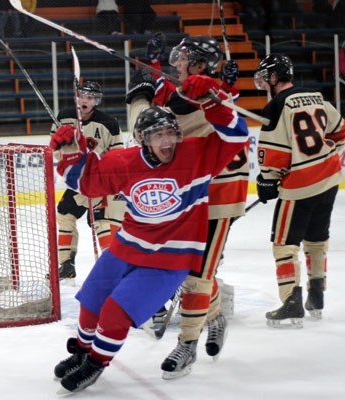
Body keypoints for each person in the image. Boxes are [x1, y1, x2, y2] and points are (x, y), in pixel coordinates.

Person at [50, 86, 249, 393]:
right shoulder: (124, 161)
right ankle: (82, 352)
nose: (167, 140)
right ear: (143, 139)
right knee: (90, 304)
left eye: (171, 132)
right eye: (158, 135)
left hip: (170, 259)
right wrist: (71, 153)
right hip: (125, 248)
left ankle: (95, 363)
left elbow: (236, 135)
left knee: (116, 312)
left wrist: (211, 103)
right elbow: (85, 184)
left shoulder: (197, 154)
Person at [129, 35, 248, 379]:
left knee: (197, 275)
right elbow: (156, 119)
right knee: (184, 269)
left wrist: (213, 94)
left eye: (183, 57)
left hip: (220, 194)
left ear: (198, 63)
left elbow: (227, 119)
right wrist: (148, 80)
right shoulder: (177, 87)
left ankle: (188, 345)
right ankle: (215, 316)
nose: (176, 61)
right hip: (188, 191)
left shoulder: (211, 89)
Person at [254, 54, 345, 328]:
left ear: (273, 77)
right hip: (330, 178)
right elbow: (340, 132)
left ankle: (291, 301)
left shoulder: (274, 107)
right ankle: (317, 294)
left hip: (300, 186)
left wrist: (267, 181)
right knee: (316, 238)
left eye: (264, 76)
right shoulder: (316, 96)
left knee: (284, 244)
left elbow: (272, 157)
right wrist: (326, 154)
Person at [51, 81, 123, 280]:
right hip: (78, 183)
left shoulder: (109, 122)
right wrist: (72, 153)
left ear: (96, 101)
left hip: (101, 182)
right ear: (77, 96)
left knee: (101, 222)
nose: (85, 100)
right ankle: (66, 263)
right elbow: (55, 150)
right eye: (82, 96)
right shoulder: (64, 117)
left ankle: (111, 265)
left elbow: (117, 154)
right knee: (64, 214)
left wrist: (98, 165)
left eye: (90, 98)